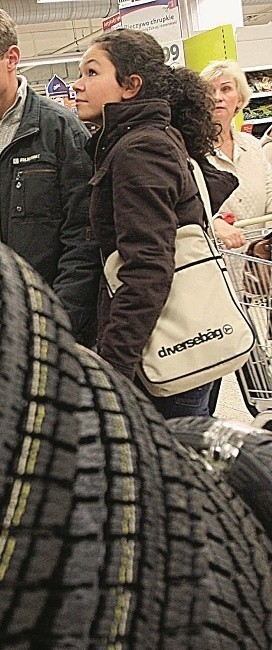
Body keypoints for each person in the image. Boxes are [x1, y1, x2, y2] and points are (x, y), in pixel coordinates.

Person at [72, 28, 238, 419]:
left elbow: (148, 267)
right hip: (183, 342)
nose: (77, 85)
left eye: (92, 73)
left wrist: (112, 369)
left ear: (131, 86)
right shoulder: (146, 139)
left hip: (165, 353)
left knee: (167, 469)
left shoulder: (139, 149)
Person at [0, 3, 99, 347]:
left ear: (11, 57)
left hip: (55, 319)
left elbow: (84, 237)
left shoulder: (59, 130)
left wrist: (62, 322)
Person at [200, 60, 272, 249]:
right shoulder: (192, 152)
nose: (217, 97)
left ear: (240, 99)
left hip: (258, 266)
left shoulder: (253, 147)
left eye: (226, 89)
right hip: (217, 266)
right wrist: (214, 223)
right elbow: (184, 208)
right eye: (210, 91)